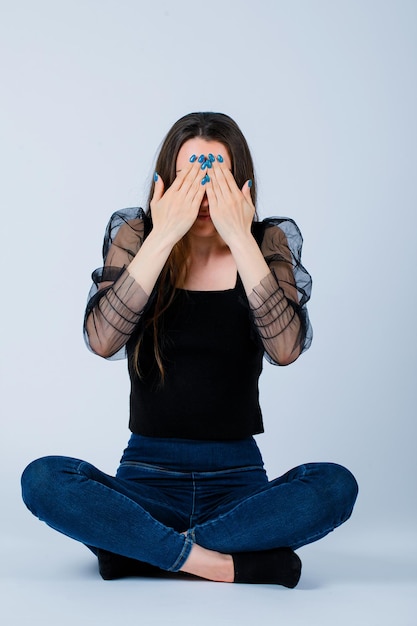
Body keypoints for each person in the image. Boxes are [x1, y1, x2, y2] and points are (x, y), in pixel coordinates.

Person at [21, 112, 358, 587]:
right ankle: (221, 563)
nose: (202, 193)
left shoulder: (267, 242)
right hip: (145, 477)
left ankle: (139, 551)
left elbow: (285, 349)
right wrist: (163, 234)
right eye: (189, 178)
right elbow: (102, 340)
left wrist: (240, 235)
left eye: (216, 176)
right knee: (42, 479)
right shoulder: (137, 237)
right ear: (166, 183)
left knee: (335, 485)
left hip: (238, 483)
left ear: (241, 183)